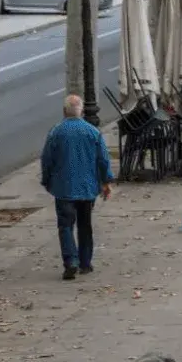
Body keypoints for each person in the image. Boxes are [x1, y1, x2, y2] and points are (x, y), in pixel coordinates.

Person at [40, 94, 115, 281]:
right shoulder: (92, 132)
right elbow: (103, 160)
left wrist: (47, 180)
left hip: (63, 187)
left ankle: (70, 261)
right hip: (87, 187)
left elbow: (46, 160)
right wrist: (106, 181)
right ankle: (85, 262)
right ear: (81, 111)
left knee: (65, 225)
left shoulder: (56, 132)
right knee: (85, 224)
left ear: (64, 111)